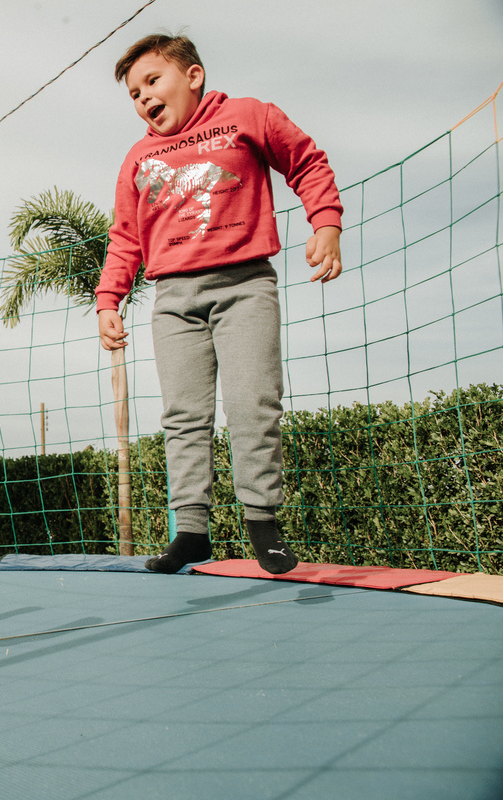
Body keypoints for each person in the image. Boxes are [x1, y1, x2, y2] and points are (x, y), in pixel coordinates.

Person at [96, 33, 343, 575]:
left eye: (152, 81)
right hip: (173, 300)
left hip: (244, 286)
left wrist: (326, 223)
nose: (144, 97)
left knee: (254, 402)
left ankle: (262, 523)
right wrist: (109, 297)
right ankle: (191, 531)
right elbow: (125, 236)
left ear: (193, 76)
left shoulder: (248, 117)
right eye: (134, 93)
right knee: (184, 416)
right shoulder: (138, 158)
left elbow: (306, 163)